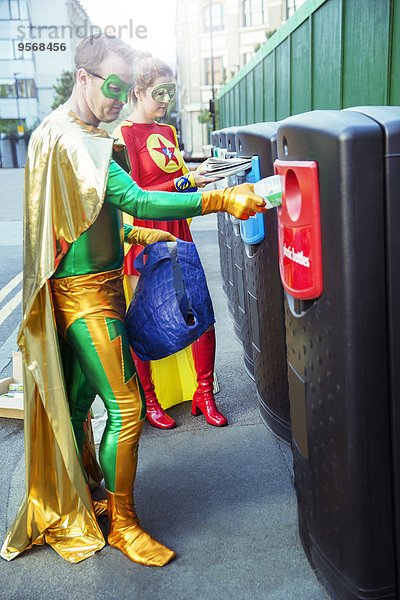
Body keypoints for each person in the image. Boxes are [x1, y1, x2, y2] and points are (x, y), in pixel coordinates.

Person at [0, 34, 265, 568]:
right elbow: (137, 198)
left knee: (77, 407)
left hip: (88, 286)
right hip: (85, 297)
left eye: (126, 88)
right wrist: (220, 197)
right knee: (125, 409)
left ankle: (84, 495)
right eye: (113, 86)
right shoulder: (75, 139)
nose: (120, 98)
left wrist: (139, 237)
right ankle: (122, 523)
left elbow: (80, 216)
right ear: (84, 78)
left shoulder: (69, 131)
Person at [114, 57, 226, 430]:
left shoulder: (168, 131)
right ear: (138, 92)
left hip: (177, 231)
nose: (164, 100)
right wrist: (185, 181)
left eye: (169, 93)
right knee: (145, 321)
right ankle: (150, 400)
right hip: (145, 235)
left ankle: (204, 392)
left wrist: (199, 177)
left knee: (201, 313)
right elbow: (134, 195)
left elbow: (179, 179)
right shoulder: (124, 136)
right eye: (158, 93)